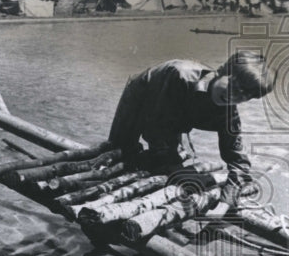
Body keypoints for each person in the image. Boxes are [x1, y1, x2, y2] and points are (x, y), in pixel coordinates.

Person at [108, 51, 276, 204]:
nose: (233, 97)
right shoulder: (180, 75)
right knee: (120, 150)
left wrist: (230, 194)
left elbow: (238, 160)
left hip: (176, 115)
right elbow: (157, 126)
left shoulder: (229, 114)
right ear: (223, 71)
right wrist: (171, 164)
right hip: (144, 93)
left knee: (166, 162)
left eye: (243, 96)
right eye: (234, 87)